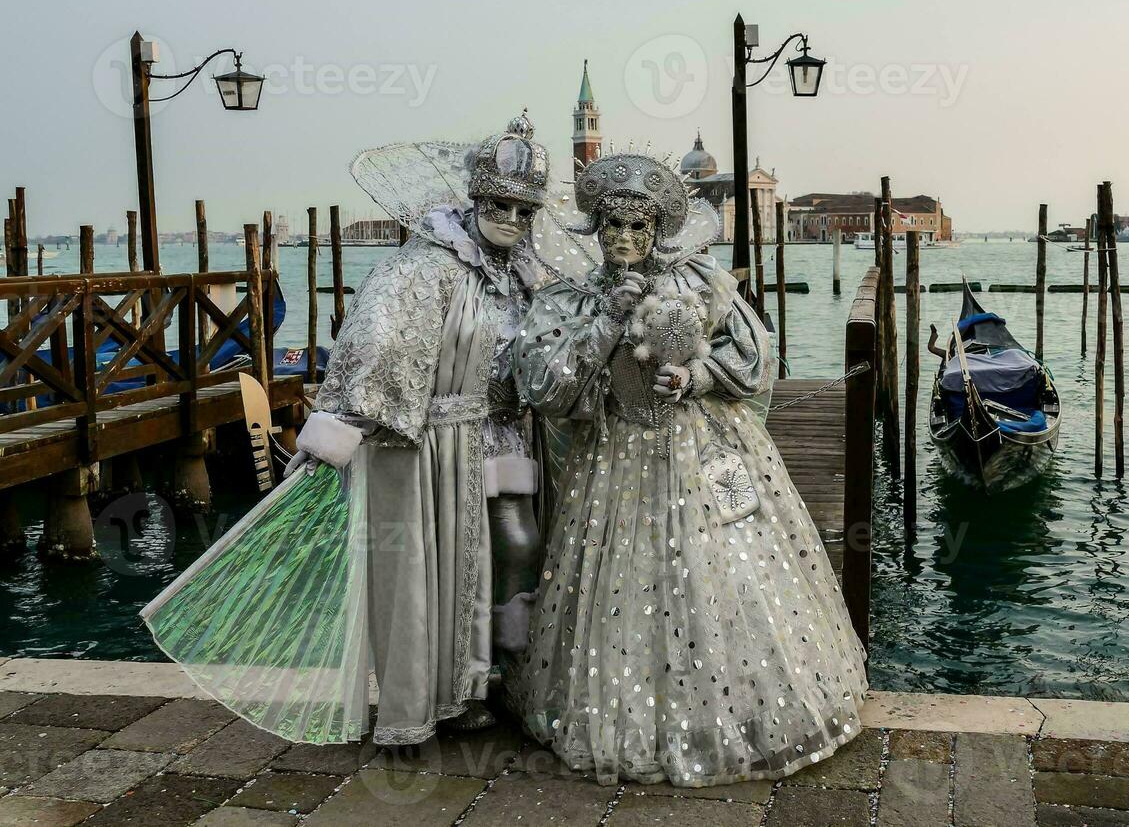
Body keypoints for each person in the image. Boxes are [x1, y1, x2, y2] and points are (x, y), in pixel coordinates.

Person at [143, 112, 549, 747]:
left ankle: (503, 675)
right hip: (432, 447)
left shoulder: (523, 274)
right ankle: (447, 694)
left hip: (501, 437)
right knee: (436, 568)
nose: (515, 221)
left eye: (527, 211)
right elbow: (378, 344)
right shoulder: (423, 268)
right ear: (475, 198)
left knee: (517, 550)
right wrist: (341, 429)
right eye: (502, 204)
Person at [507, 152, 867, 787]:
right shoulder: (572, 299)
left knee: (722, 565)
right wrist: (607, 323)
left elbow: (754, 360)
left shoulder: (697, 282)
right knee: (627, 578)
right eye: (612, 227)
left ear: (656, 232)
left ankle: (737, 711)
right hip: (614, 459)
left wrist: (696, 376)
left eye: (637, 227)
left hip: (705, 449)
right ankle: (634, 717)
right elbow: (543, 387)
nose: (624, 239)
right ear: (595, 230)